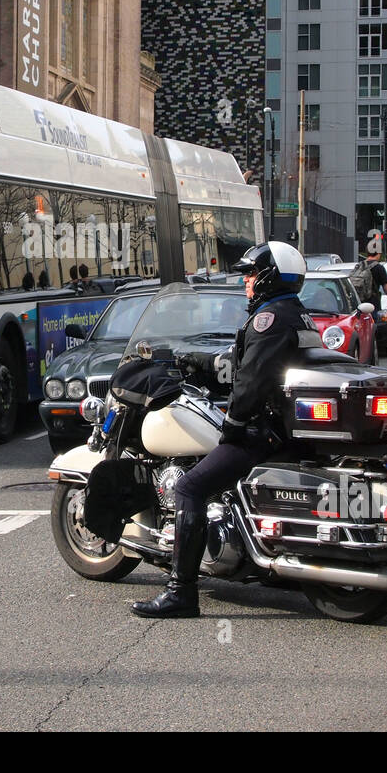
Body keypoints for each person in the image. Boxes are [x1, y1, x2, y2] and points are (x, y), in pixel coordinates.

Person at [131, 240, 317, 619]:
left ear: (269, 277)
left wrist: (231, 426)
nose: (246, 281)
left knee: (188, 487)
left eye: (251, 274)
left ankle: (180, 592)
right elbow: (241, 362)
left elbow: (251, 383)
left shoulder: (269, 321)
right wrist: (192, 360)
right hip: (285, 430)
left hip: (261, 433)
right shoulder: (294, 314)